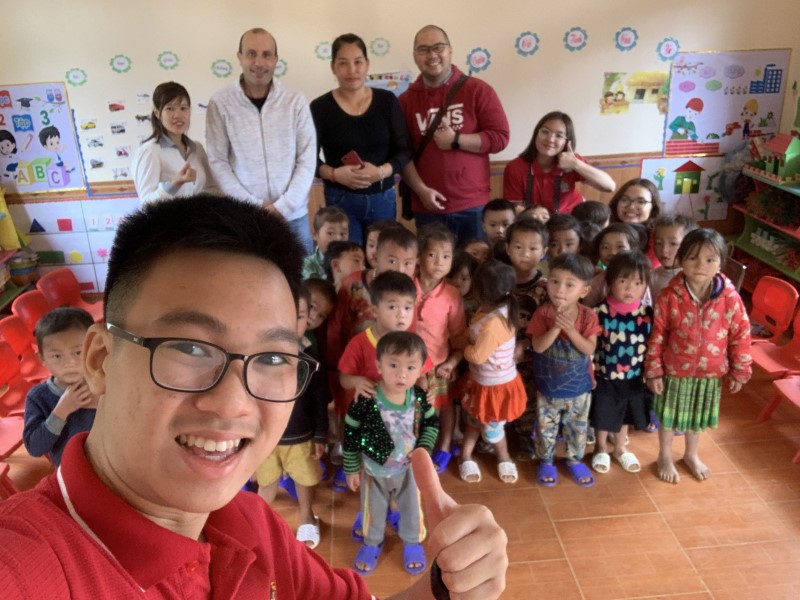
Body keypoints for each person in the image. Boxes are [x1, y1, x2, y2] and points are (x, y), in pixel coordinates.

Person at [0, 194, 508, 599]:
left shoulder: (249, 523)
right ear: (99, 359)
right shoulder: (26, 567)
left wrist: (441, 588)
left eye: (272, 358)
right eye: (190, 348)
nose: (233, 404)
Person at [646, 228, 752, 485]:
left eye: (709, 259)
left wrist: (740, 369)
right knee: (668, 417)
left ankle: (691, 454)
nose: (700, 265)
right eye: (693, 257)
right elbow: (657, 335)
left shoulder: (730, 298)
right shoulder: (669, 297)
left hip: (710, 373)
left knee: (696, 417)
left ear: (720, 263)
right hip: (675, 370)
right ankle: (665, 455)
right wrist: (654, 371)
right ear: (681, 260)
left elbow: (741, 334)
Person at [206, 28, 316, 253]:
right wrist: (254, 205)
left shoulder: (295, 101)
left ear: (276, 59)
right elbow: (218, 161)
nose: (259, 62)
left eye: (267, 55)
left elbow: (307, 157)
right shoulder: (220, 103)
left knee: (302, 276)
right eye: (251, 54)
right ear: (239, 57)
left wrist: (284, 206)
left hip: (293, 218)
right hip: (245, 219)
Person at [400, 24, 510, 242]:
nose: (432, 55)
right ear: (415, 56)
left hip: (474, 207)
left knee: (476, 264)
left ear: (450, 50)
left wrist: (456, 140)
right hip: (428, 208)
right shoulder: (404, 102)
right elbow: (402, 154)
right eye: (423, 49)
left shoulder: (478, 90)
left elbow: (500, 137)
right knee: (433, 264)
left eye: (438, 47)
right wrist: (421, 191)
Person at [344, 332, 439, 576]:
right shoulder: (366, 399)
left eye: (410, 367)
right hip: (373, 471)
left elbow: (431, 424)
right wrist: (351, 468)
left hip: (409, 471)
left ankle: (412, 542)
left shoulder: (419, 398)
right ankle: (372, 542)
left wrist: (423, 451)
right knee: (372, 510)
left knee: (412, 508)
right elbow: (351, 431)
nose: (401, 374)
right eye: (393, 365)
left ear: (420, 370)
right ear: (379, 366)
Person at [311, 33, 411, 244]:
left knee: (383, 258)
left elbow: (404, 151)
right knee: (347, 260)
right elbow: (308, 159)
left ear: (367, 64)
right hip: (340, 201)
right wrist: (334, 174)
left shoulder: (387, 101)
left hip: (383, 197)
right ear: (333, 67)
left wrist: (381, 171)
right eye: (343, 63)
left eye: (358, 62)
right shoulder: (320, 107)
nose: (352, 70)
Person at [255, 284, 328, 549]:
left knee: (304, 479)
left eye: (298, 316)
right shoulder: (257, 355)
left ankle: (307, 516)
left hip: (301, 436)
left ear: (308, 318)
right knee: (266, 482)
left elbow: (320, 399)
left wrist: (321, 434)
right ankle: (256, 522)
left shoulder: (310, 357)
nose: (289, 323)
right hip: (267, 436)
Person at [528, 253, 600, 487]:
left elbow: (589, 348)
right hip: (548, 386)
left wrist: (570, 330)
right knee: (545, 426)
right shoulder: (543, 313)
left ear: (584, 291)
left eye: (570, 285)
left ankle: (575, 459)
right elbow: (538, 347)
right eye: (555, 281)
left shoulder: (588, 316)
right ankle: (546, 460)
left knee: (577, 427)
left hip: (579, 387)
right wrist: (555, 329)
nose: (560, 289)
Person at [456, 260, 527, 485]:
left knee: (493, 429)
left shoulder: (494, 323)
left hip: (495, 387)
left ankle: (503, 455)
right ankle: (465, 455)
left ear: (478, 291)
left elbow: (478, 355)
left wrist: (463, 347)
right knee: (474, 420)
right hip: (483, 382)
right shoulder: (492, 310)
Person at [590, 251, 653, 474]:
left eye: (638, 283)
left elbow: (652, 345)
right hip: (604, 375)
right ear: (610, 281)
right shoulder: (599, 312)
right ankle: (600, 448)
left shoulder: (647, 313)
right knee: (603, 412)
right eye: (623, 281)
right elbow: (591, 347)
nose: (629, 289)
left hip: (634, 376)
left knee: (625, 412)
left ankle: (619, 448)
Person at [414, 223, 467, 473]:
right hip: (408, 365)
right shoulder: (406, 285)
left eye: (446, 256)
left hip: (439, 364)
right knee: (413, 407)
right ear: (419, 256)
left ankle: (445, 445)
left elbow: (458, 336)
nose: (439, 262)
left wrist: (452, 363)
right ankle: (415, 448)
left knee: (445, 405)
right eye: (432, 254)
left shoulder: (452, 294)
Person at [22, 308, 97, 468]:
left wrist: (103, 401)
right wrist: (61, 411)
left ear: (93, 347)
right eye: (57, 356)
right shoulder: (38, 397)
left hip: (115, 470)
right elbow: (35, 448)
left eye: (78, 352)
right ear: (42, 358)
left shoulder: (106, 381)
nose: (69, 363)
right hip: (73, 474)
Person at [502, 111, 615, 215]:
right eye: (545, 132)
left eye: (559, 135)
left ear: (567, 141)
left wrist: (576, 164)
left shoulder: (572, 161)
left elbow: (609, 186)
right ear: (536, 134)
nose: (550, 139)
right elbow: (515, 208)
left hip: (572, 218)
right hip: (534, 220)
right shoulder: (515, 167)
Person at [131, 82, 218, 204]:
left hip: (200, 215)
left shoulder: (197, 148)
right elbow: (146, 205)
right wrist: (174, 184)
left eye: (183, 108)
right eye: (170, 109)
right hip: (168, 217)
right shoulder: (149, 152)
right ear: (157, 113)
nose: (178, 115)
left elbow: (211, 188)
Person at [608, 178, 664, 266]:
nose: (631, 206)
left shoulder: (659, 239)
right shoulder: (604, 233)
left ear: (653, 207)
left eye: (641, 202)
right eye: (625, 200)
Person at [650, 214, 697, 298]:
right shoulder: (651, 277)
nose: (664, 250)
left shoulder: (696, 277)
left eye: (673, 244)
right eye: (658, 243)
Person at [303, 206, 349, 280]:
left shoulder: (351, 261)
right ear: (315, 235)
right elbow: (313, 285)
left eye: (342, 234)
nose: (338, 238)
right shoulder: (307, 265)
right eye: (330, 233)